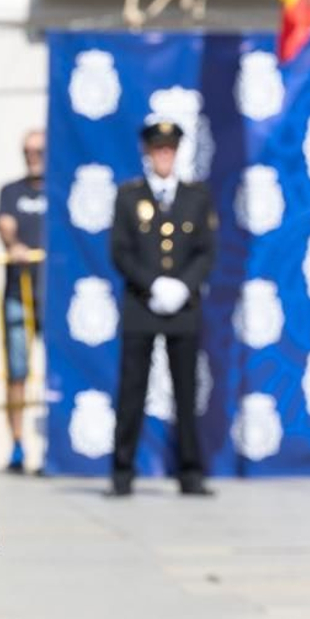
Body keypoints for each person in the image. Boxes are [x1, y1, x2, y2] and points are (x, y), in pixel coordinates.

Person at [108, 120, 218, 498]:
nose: (164, 156)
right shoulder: (129, 196)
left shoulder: (195, 196)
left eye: (170, 150)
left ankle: (191, 472)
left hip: (183, 307)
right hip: (143, 304)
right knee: (132, 390)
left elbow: (206, 250)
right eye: (159, 150)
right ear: (148, 153)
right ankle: (122, 472)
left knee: (186, 392)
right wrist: (151, 283)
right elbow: (120, 250)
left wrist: (182, 285)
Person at [0, 129, 48, 474]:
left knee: (57, 371)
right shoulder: (11, 191)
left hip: (54, 295)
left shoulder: (59, 188)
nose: (33, 157)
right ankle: (17, 445)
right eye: (27, 151)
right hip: (20, 293)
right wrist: (11, 243)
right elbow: (4, 223)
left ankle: (53, 445)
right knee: (17, 371)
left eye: (39, 151)